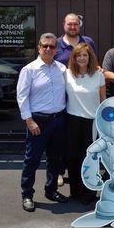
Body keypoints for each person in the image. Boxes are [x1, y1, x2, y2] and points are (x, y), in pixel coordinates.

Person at [16, 33, 69, 212]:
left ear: (56, 49)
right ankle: (27, 195)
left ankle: (51, 190)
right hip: (38, 122)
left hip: (58, 121)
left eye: (52, 46)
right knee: (32, 160)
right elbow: (22, 97)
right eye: (44, 45)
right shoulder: (29, 70)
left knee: (55, 159)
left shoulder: (61, 69)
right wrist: (29, 121)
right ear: (39, 47)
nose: (48, 49)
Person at [54, 12, 97, 187]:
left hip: (79, 101)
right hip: (59, 99)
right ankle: (59, 171)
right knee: (60, 138)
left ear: (80, 25)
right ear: (64, 24)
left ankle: (81, 173)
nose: (73, 27)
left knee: (76, 142)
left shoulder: (88, 42)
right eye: (69, 24)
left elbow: (94, 64)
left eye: (75, 24)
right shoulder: (56, 44)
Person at [64, 43, 106, 204]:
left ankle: (89, 192)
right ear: (74, 58)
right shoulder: (67, 74)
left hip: (91, 123)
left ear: (90, 57)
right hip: (72, 120)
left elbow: (103, 101)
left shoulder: (98, 75)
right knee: (72, 157)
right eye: (78, 55)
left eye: (85, 55)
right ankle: (75, 191)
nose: (82, 58)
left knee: (89, 159)